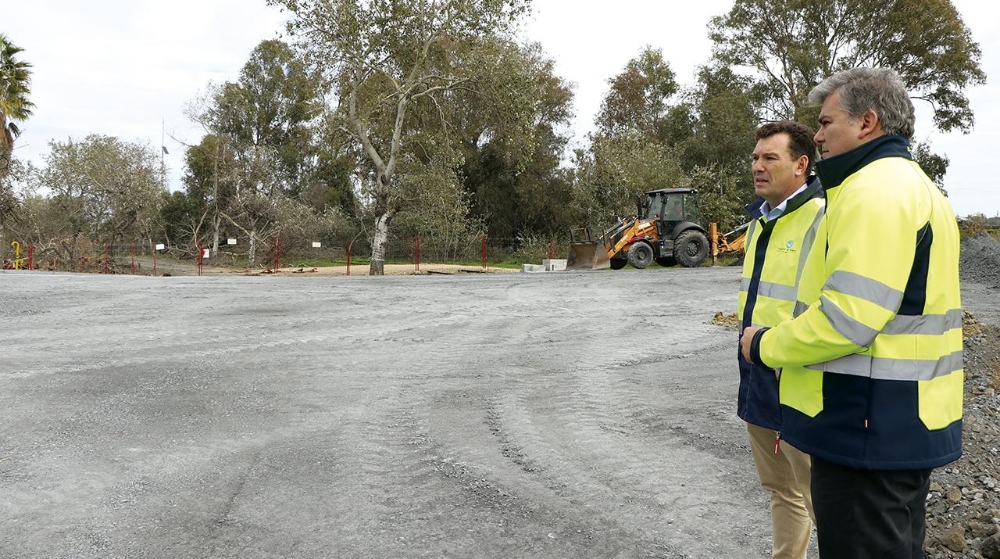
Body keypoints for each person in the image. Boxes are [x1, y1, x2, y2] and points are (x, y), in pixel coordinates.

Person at [740, 67, 963, 559]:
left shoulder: (872, 192)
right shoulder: (915, 187)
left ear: (867, 122)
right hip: (898, 420)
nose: (817, 135)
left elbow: (847, 319)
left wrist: (763, 344)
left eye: (825, 122)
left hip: (865, 424)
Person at [738, 120, 824, 559]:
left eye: (770, 157)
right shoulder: (759, 221)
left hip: (802, 381)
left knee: (820, 499)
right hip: (758, 374)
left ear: (801, 164)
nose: (758, 165)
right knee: (780, 489)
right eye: (755, 157)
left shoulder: (824, 217)